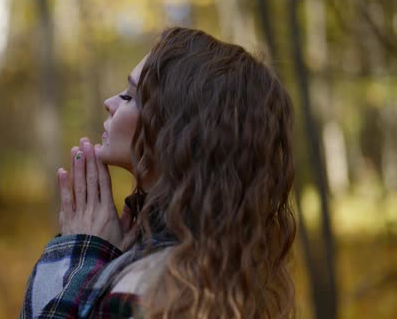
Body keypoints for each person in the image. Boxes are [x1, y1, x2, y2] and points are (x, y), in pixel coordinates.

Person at [21, 27, 296, 319]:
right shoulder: (210, 270)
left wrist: (81, 258)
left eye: (130, 97)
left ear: (175, 132)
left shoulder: (147, 291)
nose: (110, 103)